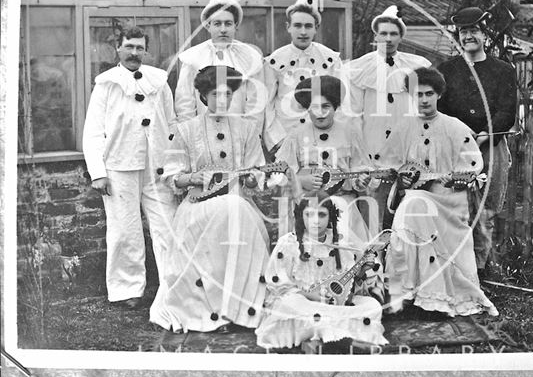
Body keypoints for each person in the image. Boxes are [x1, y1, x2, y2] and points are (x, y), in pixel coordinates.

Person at [149, 65, 287, 332]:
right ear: (203, 96)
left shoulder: (247, 129)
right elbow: (171, 175)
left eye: (227, 94)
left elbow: (256, 171)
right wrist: (194, 178)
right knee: (231, 212)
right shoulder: (186, 130)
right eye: (214, 94)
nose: (221, 100)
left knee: (236, 208)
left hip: (238, 203)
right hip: (197, 206)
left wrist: (251, 178)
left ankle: (240, 309)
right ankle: (211, 309)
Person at [379, 66, 498, 317]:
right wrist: (402, 180)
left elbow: (473, 169)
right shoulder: (403, 127)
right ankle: (406, 293)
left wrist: (457, 180)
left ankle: (434, 298)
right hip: (415, 199)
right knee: (414, 205)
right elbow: (388, 165)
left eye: (429, 94)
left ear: (439, 95)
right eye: (418, 94)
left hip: (447, 202)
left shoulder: (455, 128)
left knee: (415, 207)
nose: (423, 100)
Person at [83, 26, 177, 309]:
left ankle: (175, 285)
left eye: (139, 47)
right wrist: (98, 172)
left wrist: (174, 164)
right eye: (129, 47)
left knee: (167, 224)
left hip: (156, 166)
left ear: (145, 50)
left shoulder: (159, 82)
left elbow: (172, 125)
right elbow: (93, 131)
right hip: (119, 167)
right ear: (118, 49)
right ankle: (128, 289)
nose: (134, 53)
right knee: (125, 229)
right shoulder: (107, 85)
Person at [437, 7, 517, 278]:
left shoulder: (503, 71)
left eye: (474, 31)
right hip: (455, 148)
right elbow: (441, 109)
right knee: (455, 205)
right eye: (463, 32)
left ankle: (479, 271)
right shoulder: (447, 70)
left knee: (486, 209)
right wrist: (460, 133)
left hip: (490, 146)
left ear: (484, 34)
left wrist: (484, 133)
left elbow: (507, 110)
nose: (468, 36)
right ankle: (454, 268)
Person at [255, 191, 388, 353]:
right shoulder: (289, 243)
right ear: (300, 216)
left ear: (331, 216)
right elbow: (278, 286)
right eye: (309, 215)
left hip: (332, 304)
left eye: (322, 215)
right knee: (290, 304)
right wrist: (312, 296)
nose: (316, 221)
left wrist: (360, 272)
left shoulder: (340, 244)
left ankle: (320, 338)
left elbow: (346, 289)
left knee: (372, 307)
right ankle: (341, 338)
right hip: (303, 301)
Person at [346, 5, 432, 230]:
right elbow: (353, 116)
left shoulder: (414, 67)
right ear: (376, 36)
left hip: (404, 152)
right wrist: (361, 160)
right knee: (373, 220)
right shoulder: (360, 68)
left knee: (405, 221)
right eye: (383, 33)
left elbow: (420, 111)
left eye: (393, 33)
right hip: (372, 150)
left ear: (401, 36)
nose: (388, 38)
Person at [276, 75, 381, 249]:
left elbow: (360, 168)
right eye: (314, 107)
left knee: (347, 241)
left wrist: (362, 180)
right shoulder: (296, 135)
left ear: (335, 108)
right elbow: (278, 174)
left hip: (342, 201)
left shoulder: (350, 132)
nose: (320, 113)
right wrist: (301, 180)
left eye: (326, 107)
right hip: (308, 203)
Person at [262, 0, 342, 155]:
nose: (303, 32)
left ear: (316, 28)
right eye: (297, 25)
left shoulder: (331, 59)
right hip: (285, 138)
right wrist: (277, 141)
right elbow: (267, 105)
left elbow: (341, 102)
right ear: (288, 27)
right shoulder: (274, 61)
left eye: (308, 26)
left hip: (323, 138)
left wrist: (334, 135)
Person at [174, 0, 265, 130]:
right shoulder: (193, 57)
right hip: (203, 132)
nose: (223, 29)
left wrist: (251, 133)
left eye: (228, 24)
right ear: (208, 26)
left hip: (240, 132)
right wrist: (191, 133)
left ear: (235, 26)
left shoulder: (250, 57)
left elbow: (256, 102)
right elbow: (185, 102)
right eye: (217, 24)